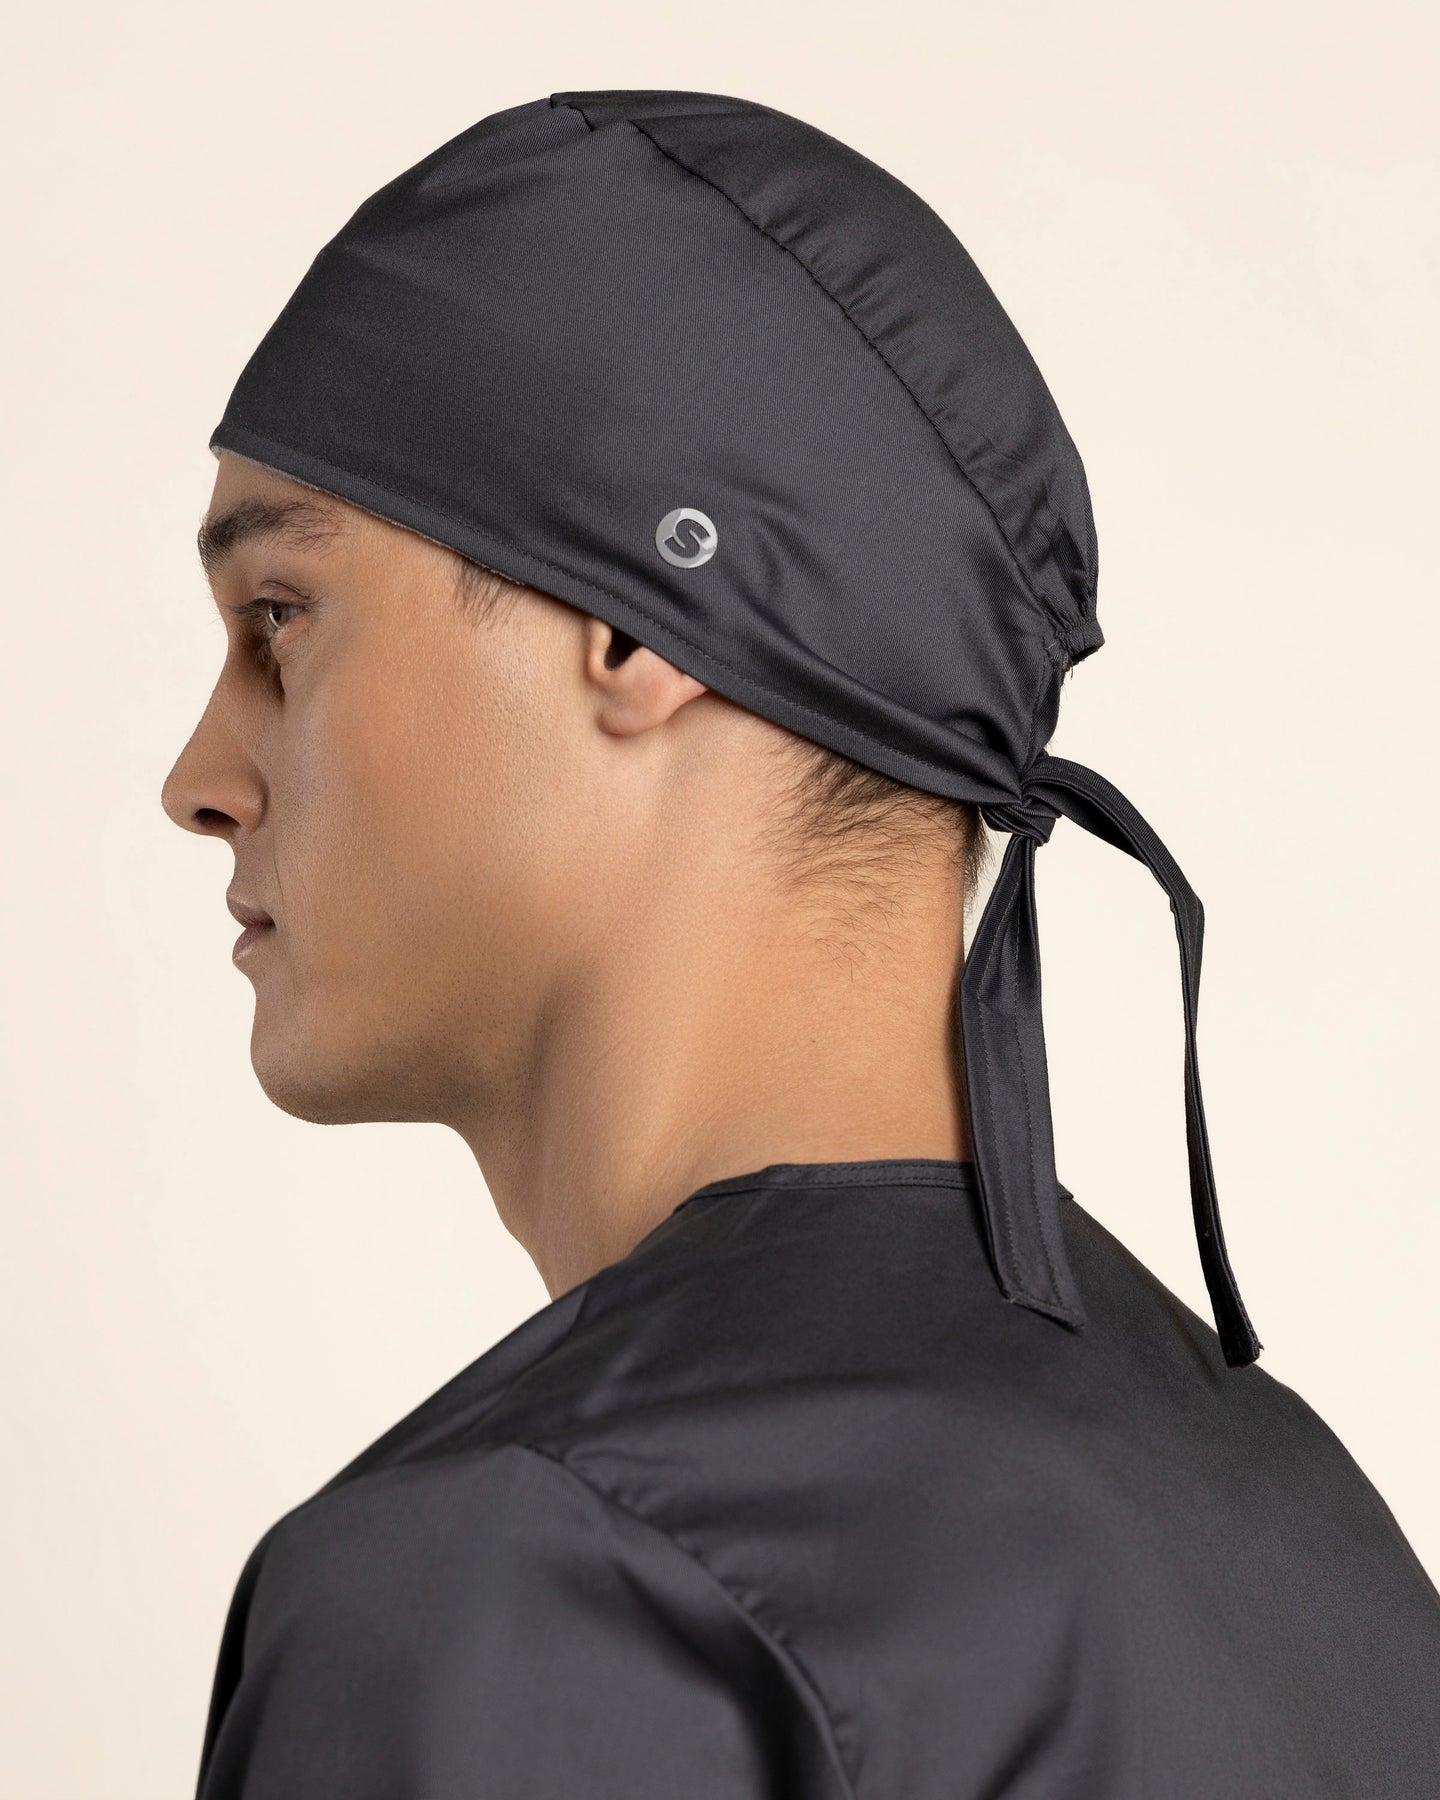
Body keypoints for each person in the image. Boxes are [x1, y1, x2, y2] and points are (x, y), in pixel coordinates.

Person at [162, 89, 1440, 1798]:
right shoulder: (1307, 1533)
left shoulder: (533, 1572)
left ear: (638, 628)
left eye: (279, 620)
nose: (198, 778)